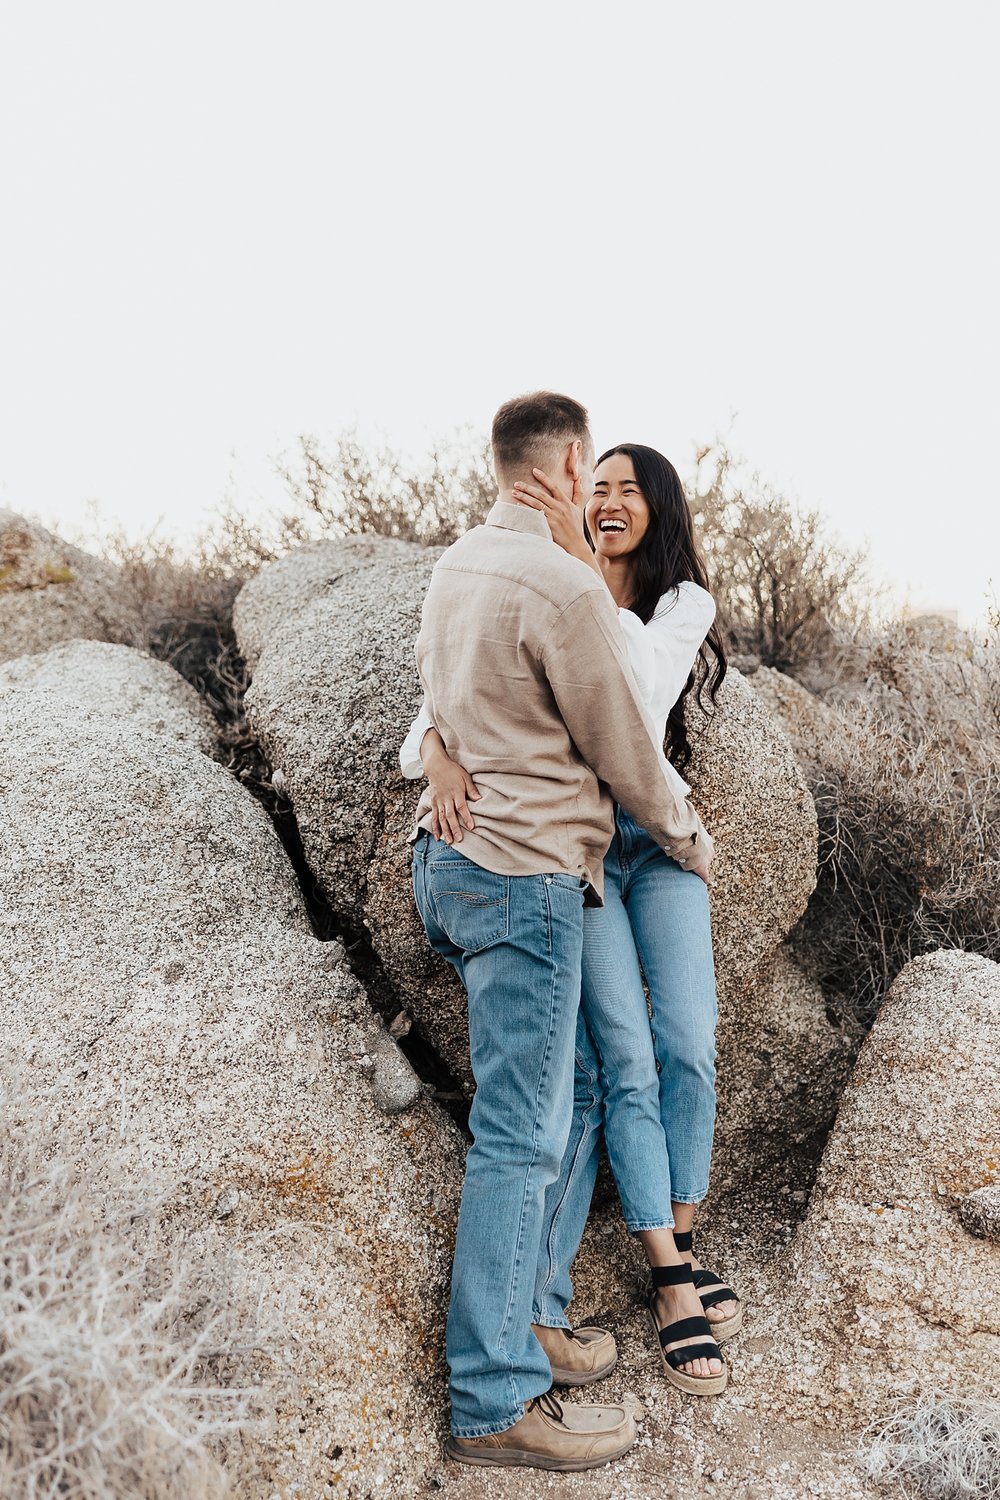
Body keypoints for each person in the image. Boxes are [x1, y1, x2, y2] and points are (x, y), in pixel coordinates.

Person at [405, 392, 714, 1471]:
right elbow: (627, 746)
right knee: (517, 1139)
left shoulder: (455, 567)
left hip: (447, 867)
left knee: (574, 1090)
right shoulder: (563, 584)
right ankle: (494, 1403)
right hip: (528, 876)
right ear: (574, 462)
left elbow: (439, 709)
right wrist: (685, 835)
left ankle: (533, 1316)